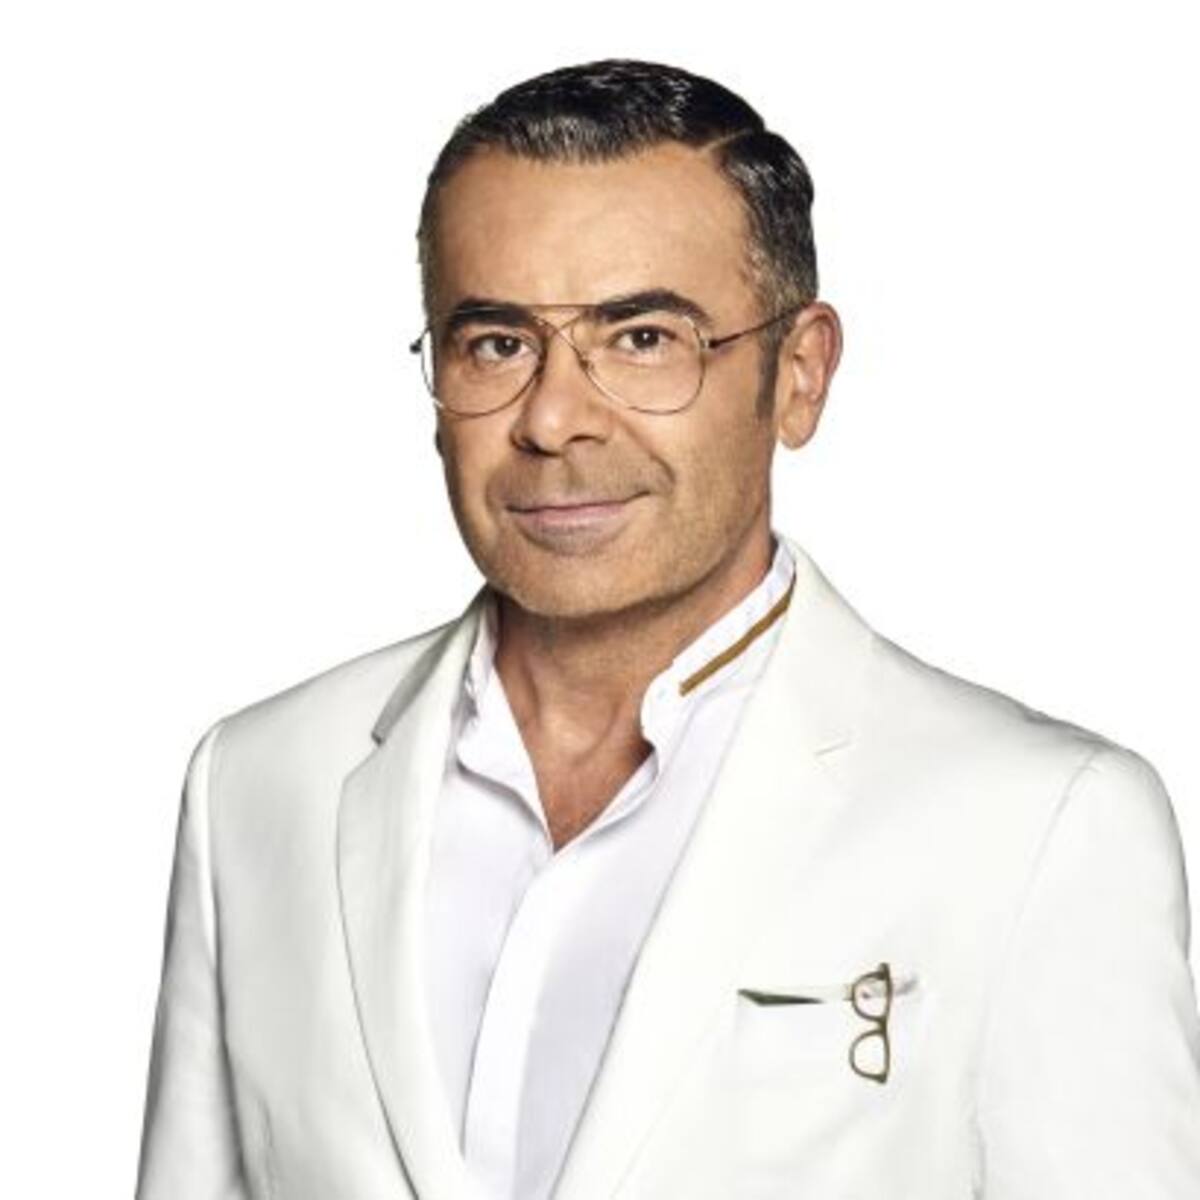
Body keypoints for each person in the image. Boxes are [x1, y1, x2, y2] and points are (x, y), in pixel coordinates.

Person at [135, 59, 1200, 1199]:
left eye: (643, 338)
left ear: (800, 374)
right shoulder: (259, 783)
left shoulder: (1038, 824)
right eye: (496, 343)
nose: (554, 418)